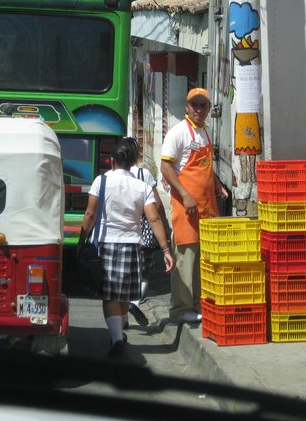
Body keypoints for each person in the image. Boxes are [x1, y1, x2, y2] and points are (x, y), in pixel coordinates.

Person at [78, 138, 174, 359]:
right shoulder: (141, 187)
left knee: (110, 295)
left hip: (106, 243)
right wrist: (166, 250)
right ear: (133, 162)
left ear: (112, 160)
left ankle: (116, 338)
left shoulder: (100, 182)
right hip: (133, 245)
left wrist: (82, 240)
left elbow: (90, 215)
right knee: (122, 296)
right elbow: (154, 219)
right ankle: (119, 335)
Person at [160, 88, 228, 323]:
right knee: (185, 259)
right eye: (194, 105)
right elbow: (166, 168)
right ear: (186, 107)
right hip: (185, 208)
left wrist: (218, 185)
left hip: (207, 208)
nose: (199, 110)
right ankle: (179, 310)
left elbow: (207, 167)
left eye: (203, 106)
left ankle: (197, 305)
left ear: (209, 109)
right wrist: (185, 195)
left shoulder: (205, 132)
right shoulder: (178, 132)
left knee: (202, 259)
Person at [121, 137, 170, 327]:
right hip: (145, 231)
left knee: (126, 274)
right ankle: (134, 302)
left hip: (125, 230)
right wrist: (164, 226)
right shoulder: (144, 174)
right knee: (145, 272)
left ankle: (123, 316)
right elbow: (156, 204)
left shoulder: (113, 174)